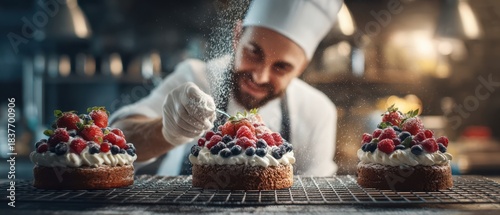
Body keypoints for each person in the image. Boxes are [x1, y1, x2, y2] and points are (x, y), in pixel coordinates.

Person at [110, 0, 343, 176]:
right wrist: (166, 131)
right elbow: (117, 141)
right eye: (253, 52)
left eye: (281, 67)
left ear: (301, 67)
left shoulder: (318, 112)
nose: (260, 76)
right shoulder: (195, 77)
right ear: (237, 36)